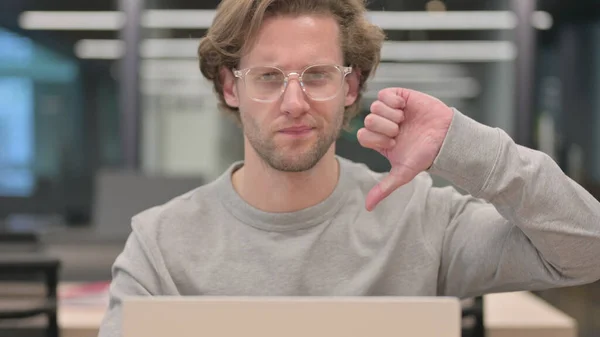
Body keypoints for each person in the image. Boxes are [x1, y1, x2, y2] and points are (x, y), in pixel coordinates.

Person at [98, 0, 600, 335]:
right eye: (268, 77)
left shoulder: (420, 218)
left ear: (352, 87)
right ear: (231, 87)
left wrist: (467, 147)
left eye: (317, 75)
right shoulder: (161, 244)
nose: (294, 102)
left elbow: (587, 250)